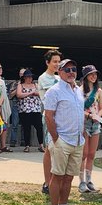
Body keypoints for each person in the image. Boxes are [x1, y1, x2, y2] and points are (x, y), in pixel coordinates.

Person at [42, 57, 85, 205]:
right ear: (59, 72)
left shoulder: (78, 90)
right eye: (67, 70)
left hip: (77, 141)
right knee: (57, 176)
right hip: (62, 140)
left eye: (73, 69)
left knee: (69, 177)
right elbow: (49, 116)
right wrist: (56, 139)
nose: (71, 72)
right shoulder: (54, 91)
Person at [37, 49, 61, 193]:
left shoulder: (60, 78)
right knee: (49, 149)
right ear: (47, 62)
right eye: (54, 62)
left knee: (58, 150)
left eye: (59, 62)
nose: (57, 64)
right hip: (49, 116)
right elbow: (49, 99)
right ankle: (47, 182)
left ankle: (55, 180)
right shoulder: (43, 78)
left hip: (61, 118)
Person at [79, 64, 102, 193]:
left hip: (95, 124)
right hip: (84, 123)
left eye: (95, 74)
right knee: (83, 154)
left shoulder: (98, 91)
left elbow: (101, 108)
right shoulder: (79, 90)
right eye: (91, 74)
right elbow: (78, 108)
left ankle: (89, 180)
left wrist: (97, 116)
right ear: (85, 76)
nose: (94, 76)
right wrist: (89, 115)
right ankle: (81, 181)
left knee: (92, 154)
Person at [15, 68, 45, 152]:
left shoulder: (35, 85)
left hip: (36, 109)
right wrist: (30, 93)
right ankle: (27, 145)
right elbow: (19, 94)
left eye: (30, 77)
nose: (29, 79)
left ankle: (41, 145)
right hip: (25, 110)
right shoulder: (20, 85)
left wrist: (35, 93)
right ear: (24, 77)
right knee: (26, 128)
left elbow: (42, 93)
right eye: (28, 77)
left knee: (39, 127)